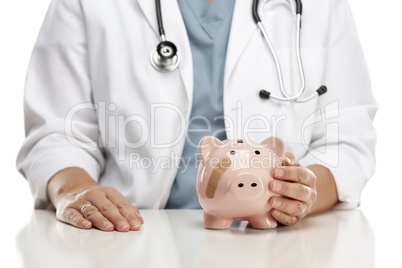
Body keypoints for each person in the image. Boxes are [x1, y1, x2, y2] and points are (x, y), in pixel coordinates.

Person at [17, 0, 377, 232]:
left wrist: (301, 191)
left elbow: (347, 140)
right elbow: (57, 132)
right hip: (127, 236)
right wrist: (75, 190)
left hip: (278, 244)